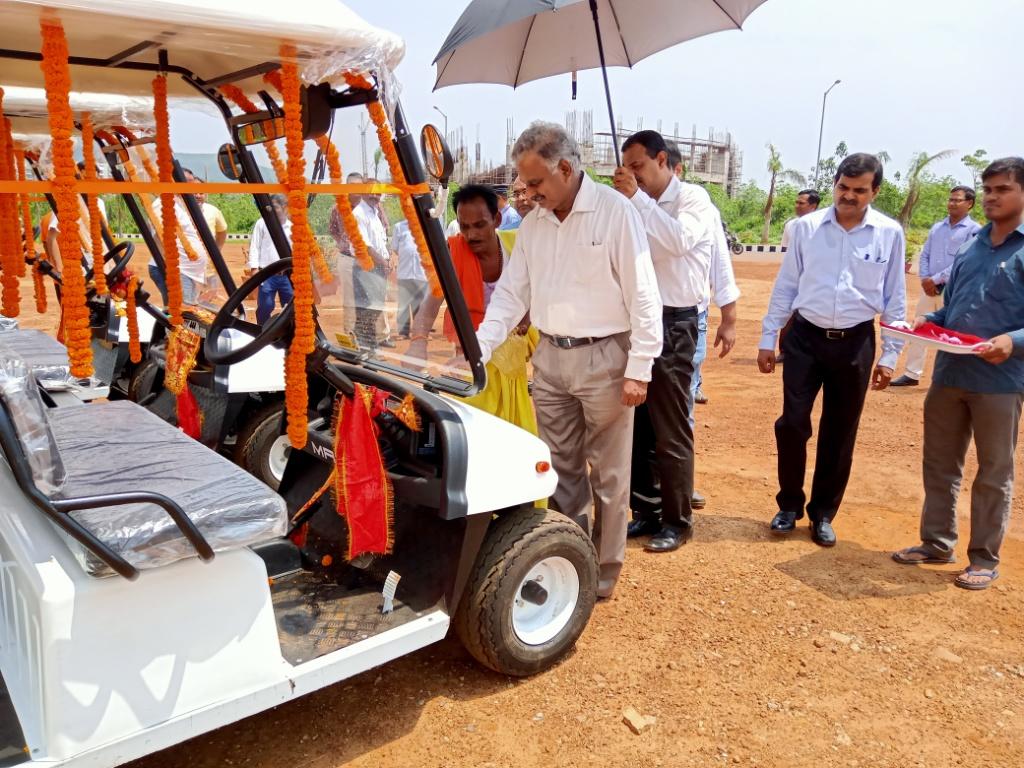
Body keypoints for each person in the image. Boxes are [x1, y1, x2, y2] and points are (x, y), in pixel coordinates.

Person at [474, 121, 662, 599]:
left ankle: (603, 573)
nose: (528, 193)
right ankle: (569, 560)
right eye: (525, 184)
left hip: (607, 361)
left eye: (535, 183)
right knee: (560, 473)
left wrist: (639, 368)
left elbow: (644, 295)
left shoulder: (615, 213)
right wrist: (480, 346)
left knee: (611, 476)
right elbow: (512, 295)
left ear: (564, 168)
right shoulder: (534, 223)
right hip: (551, 359)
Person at [758, 153, 906, 546]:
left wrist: (890, 356)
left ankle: (823, 514)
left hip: (856, 343)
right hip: (804, 339)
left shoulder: (888, 233)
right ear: (835, 184)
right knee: (792, 423)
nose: (849, 196)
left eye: (859, 190)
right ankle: (789, 505)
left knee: (840, 432)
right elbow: (787, 286)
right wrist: (767, 338)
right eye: (843, 187)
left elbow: (895, 299)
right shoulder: (807, 228)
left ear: (875, 191)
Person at [892, 158, 1024, 590]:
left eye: (1001, 189)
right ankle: (936, 542)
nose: (991, 197)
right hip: (949, 374)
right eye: (987, 189)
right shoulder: (971, 245)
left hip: (1000, 382)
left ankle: (984, 557)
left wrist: (1013, 341)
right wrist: (929, 322)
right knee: (940, 464)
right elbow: (955, 308)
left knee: (993, 471)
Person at [614, 131, 712, 552]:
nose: (632, 174)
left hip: (676, 323)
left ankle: (677, 520)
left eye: (637, 166)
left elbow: (677, 242)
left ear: (661, 160)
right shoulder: (630, 204)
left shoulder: (693, 200)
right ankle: (646, 511)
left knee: (670, 427)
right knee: (638, 425)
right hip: (638, 322)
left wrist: (636, 199)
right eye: (627, 167)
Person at [408, 184, 537, 435]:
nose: (471, 235)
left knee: (514, 435)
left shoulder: (517, 244)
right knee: (477, 433)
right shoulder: (452, 251)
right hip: (471, 361)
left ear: (497, 219)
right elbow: (430, 303)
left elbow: (541, 285)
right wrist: (419, 340)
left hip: (513, 360)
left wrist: (527, 316)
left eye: (479, 225)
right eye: (464, 227)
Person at [664, 144, 739, 411]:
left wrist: (729, 319)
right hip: (644, 318)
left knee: (683, 399)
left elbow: (720, 262)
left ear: (676, 170)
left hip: (690, 316)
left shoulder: (698, 203)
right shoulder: (635, 206)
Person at [891, 186, 981, 386]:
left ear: (969, 204)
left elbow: (964, 260)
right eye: (951, 199)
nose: (952, 203)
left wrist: (936, 279)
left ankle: (952, 378)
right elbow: (925, 255)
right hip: (928, 288)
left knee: (954, 334)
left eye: (957, 200)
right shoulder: (937, 228)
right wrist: (925, 278)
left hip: (953, 290)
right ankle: (912, 373)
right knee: (919, 327)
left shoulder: (975, 231)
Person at [777, 190, 821, 362]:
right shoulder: (791, 225)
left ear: (813, 206)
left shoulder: (822, 226)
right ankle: (784, 351)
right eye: (796, 202)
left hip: (814, 279)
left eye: (801, 203)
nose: (797, 206)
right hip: (793, 277)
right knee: (787, 313)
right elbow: (787, 252)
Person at [350, 173, 391, 350]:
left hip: (378, 267)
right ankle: (364, 344)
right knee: (368, 306)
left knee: (376, 305)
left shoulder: (374, 213)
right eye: (371, 192)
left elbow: (380, 242)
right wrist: (384, 262)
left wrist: (387, 259)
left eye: (378, 193)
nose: (375, 196)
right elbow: (365, 246)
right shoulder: (359, 213)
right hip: (366, 267)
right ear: (364, 192)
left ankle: (366, 342)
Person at [245, 194, 292, 324]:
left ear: (285, 207)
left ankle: (288, 334)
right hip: (267, 274)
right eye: (270, 206)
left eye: (275, 206)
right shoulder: (262, 223)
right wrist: (254, 269)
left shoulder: (292, 227)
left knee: (290, 307)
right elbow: (255, 246)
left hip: (288, 275)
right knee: (265, 306)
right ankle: (261, 331)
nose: (271, 209)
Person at [391, 218, 429, 338]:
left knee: (421, 305)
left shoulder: (426, 225)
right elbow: (395, 248)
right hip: (404, 272)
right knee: (404, 304)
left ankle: (420, 333)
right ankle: (403, 332)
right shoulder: (399, 226)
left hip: (421, 272)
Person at [193, 179, 228, 252]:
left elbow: (222, 232)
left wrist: (217, 251)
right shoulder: (178, 210)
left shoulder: (213, 210)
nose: (198, 196)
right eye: (194, 192)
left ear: (205, 195)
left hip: (207, 258)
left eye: (201, 193)